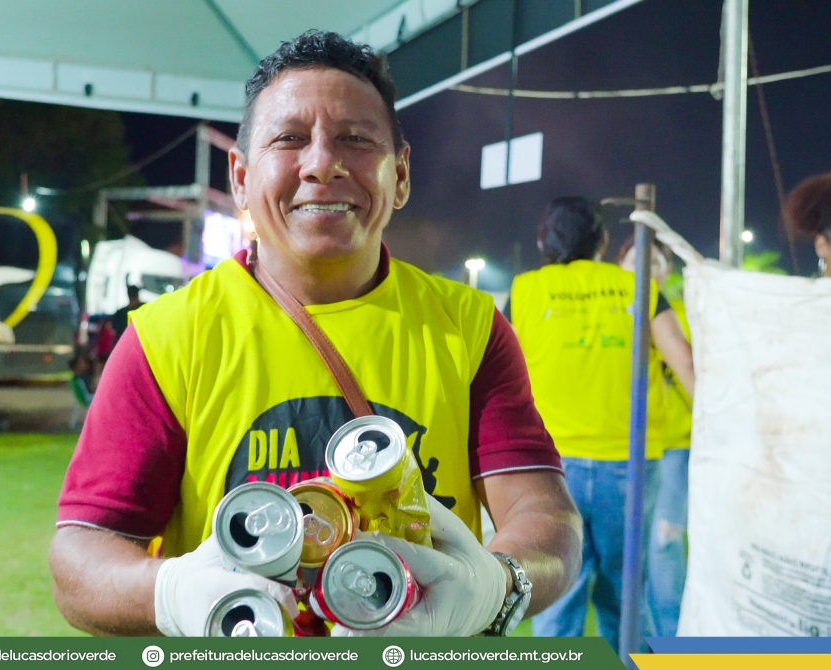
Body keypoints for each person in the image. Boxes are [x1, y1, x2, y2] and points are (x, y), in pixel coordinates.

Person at [50, 30, 582, 638]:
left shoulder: (470, 327)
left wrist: (497, 584)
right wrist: (171, 593)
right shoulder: (165, 337)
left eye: (356, 138)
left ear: (400, 175)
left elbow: (545, 516)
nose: (323, 163)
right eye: (289, 138)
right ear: (241, 178)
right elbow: (80, 559)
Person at [510, 197, 693, 651]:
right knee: (627, 598)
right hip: (629, 465)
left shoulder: (525, 291)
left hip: (551, 468)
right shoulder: (638, 287)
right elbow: (687, 367)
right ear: (603, 242)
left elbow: (498, 376)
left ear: (543, 243)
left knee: (556, 597)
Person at [620, 238, 692, 638]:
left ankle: (670, 644)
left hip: (673, 448)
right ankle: (638, 642)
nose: (644, 268)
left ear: (666, 271)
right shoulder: (612, 315)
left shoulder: (679, 316)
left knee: (663, 546)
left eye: (654, 261)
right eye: (636, 260)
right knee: (630, 556)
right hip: (624, 452)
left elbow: (693, 372)